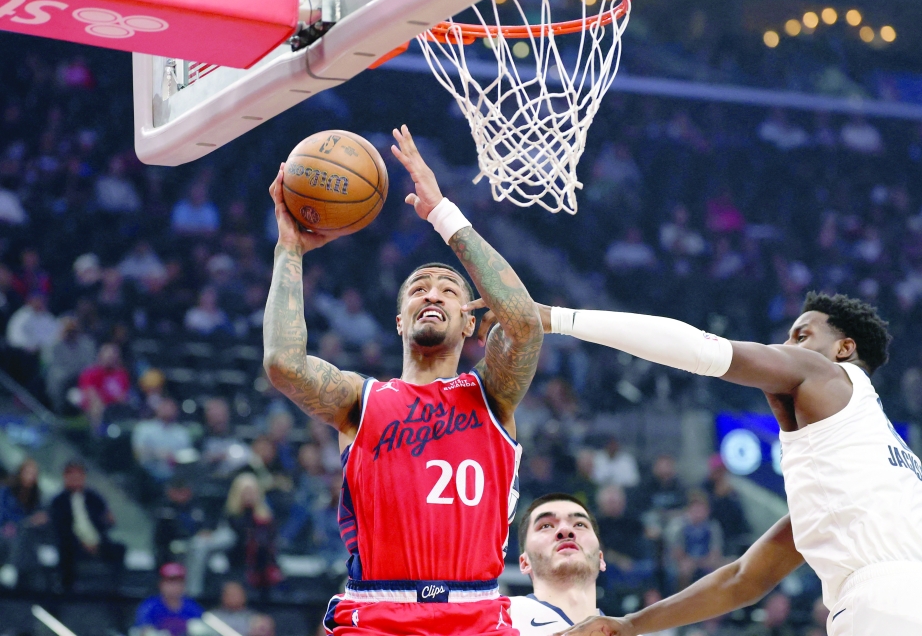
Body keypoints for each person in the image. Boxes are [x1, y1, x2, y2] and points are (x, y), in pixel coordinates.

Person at [471, 293, 922, 635]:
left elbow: (705, 351)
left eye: (801, 335)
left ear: (844, 348)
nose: (786, 347)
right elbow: (744, 578)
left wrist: (554, 318)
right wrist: (629, 626)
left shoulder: (827, 376)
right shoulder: (865, 461)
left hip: (888, 607)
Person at [262, 125, 543, 635]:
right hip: (376, 613)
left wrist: (442, 214)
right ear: (399, 320)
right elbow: (284, 363)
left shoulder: (492, 394)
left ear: (470, 322)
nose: (432, 293)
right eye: (418, 287)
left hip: (475, 615)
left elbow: (523, 324)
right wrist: (290, 249)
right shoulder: (361, 399)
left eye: (447, 289)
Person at [509, 494, 605, 634]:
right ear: (525, 562)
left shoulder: (631, 631)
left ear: (600, 558)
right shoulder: (500, 616)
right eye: (546, 525)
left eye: (580, 524)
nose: (565, 531)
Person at [49, 460, 126, 593]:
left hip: (97, 541)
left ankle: (115, 588)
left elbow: (105, 522)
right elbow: (61, 528)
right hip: (72, 543)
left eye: (79, 475)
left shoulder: (94, 498)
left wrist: (108, 522)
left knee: (119, 549)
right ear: (65, 477)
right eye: (72, 476)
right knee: (65, 550)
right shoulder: (59, 501)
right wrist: (81, 542)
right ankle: (67, 588)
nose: (76, 479)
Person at [134, 562, 204, 636]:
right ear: (161, 584)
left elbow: (202, 629)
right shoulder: (149, 607)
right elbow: (142, 630)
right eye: (170, 582)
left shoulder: (193, 608)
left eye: (178, 582)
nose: (174, 587)